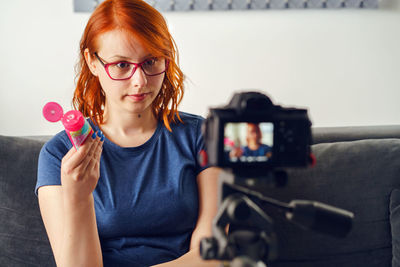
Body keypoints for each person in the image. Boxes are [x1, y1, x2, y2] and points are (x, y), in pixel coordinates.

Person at [35, 1, 220, 266]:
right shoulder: (57, 155)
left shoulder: (201, 136)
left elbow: (211, 257)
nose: (140, 81)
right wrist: (79, 197)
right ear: (92, 62)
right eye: (121, 65)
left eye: (151, 61)